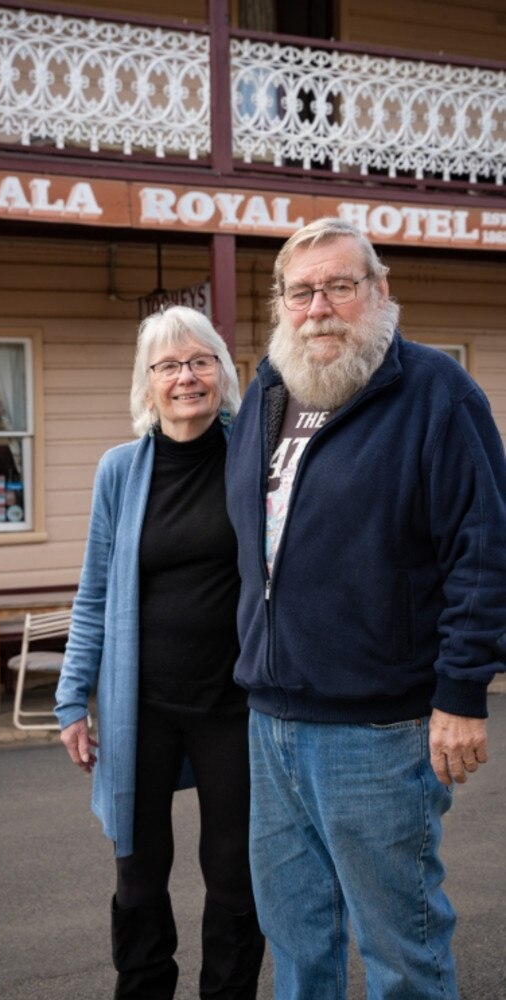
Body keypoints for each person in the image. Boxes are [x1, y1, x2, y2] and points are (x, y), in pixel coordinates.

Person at [224, 217, 506, 1000]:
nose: (318, 307)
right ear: (281, 303)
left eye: (339, 286)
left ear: (379, 292)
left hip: (378, 730)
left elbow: (483, 551)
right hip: (271, 720)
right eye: (301, 291)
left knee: (401, 951)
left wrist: (460, 693)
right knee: (298, 940)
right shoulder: (268, 393)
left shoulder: (436, 394)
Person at [55, 305, 264, 999]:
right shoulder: (121, 470)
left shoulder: (252, 459)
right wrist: (70, 700)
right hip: (140, 705)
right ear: (148, 384)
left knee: (234, 871)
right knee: (138, 869)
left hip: (232, 703)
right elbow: (92, 596)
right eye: (169, 365)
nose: (186, 377)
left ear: (223, 375)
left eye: (201, 361)